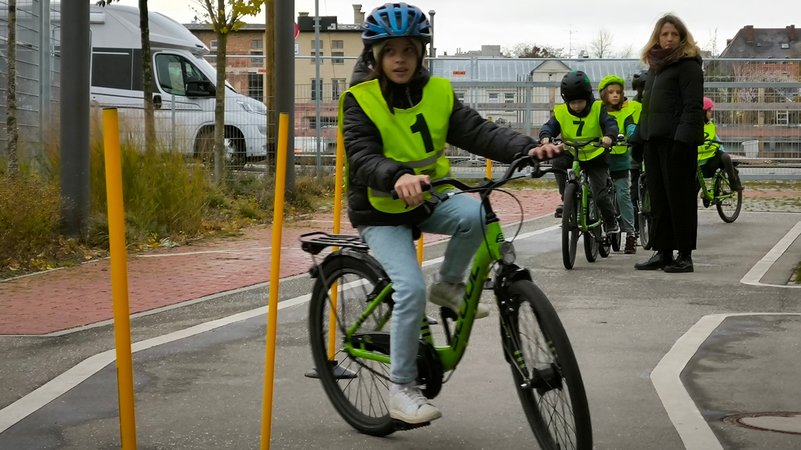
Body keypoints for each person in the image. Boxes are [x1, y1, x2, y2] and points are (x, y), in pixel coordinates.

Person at [339, 2, 559, 426]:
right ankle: (402, 388)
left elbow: (478, 131)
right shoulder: (359, 100)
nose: (400, 59)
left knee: (476, 216)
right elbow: (362, 156)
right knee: (409, 290)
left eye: (408, 49)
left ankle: (450, 285)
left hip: (429, 196)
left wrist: (527, 147)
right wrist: (396, 174)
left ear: (421, 53)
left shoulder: (439, 92)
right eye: (390, 51)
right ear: (375, 57)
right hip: (381, 210)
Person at [632, 14, 704, 273]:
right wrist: (638, 138)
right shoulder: (655, 68)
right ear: (657, 37)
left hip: (678, 143)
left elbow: (693, 107)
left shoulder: (689, 66)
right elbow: (647, 108)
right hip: (654, 141)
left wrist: (683, 142)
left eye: (674, 34)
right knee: (659, 199)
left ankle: (684, 255)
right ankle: (663, 251)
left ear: (682, 37)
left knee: (681, 200)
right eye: (665, 34)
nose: (669, 38)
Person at [540, 70, 620, 235]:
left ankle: (611, 220)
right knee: (558, 162)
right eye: (572, 102)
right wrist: (546, 137)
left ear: (588, 98)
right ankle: (567, 198)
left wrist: (609, 136)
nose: (576, 106)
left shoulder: (598, 108)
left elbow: (610, 123)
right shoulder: (561, 112)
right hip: (572, 152)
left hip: (595, 154)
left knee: (600, 194)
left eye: (580, 102)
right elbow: (550, 126)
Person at [598, 75, 638, 254]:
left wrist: (633, 135)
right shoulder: (597, 111)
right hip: (600, 158)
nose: (615, 95)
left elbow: (630, 127)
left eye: (618, 92)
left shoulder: (626, 113)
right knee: (597, 193)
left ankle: (630, 234)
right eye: (611, 92)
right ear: (603, 94)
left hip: (620, 159)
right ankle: (598, 229)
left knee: (623, 194)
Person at [698, 97, 744, 191]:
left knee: (725, 157)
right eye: (709, 111)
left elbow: (717, 140)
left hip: (710, 161)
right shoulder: (693, 126)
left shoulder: (710, 126)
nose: (711, 113)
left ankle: (733, 182)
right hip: (698, 163)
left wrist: (724, 154)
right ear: (703, 112)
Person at [628, 70, 647, 238]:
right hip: (636, 149)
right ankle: (634, 224)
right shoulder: (633, 106)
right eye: (642, 88)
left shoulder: (657, 103)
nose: (644, 91)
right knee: (633, 190)